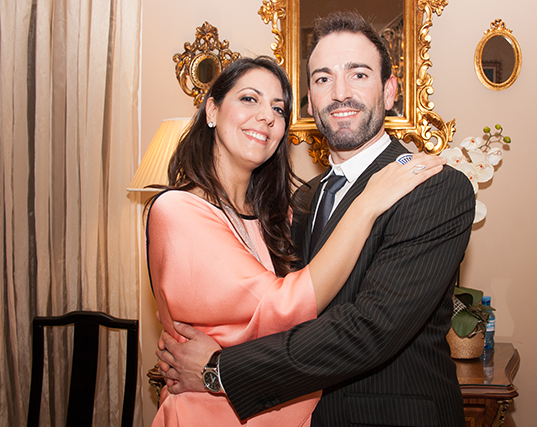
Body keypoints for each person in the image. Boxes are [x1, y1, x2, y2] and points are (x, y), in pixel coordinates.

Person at [156, 12, 476, 426]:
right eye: (324, 78)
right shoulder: (302, 200)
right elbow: (266, 311)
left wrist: (219, 370)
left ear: (389, 91)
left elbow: (371, 329)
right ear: (310, 101)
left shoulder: (433, 187)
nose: (340, 93)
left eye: (358, 74)